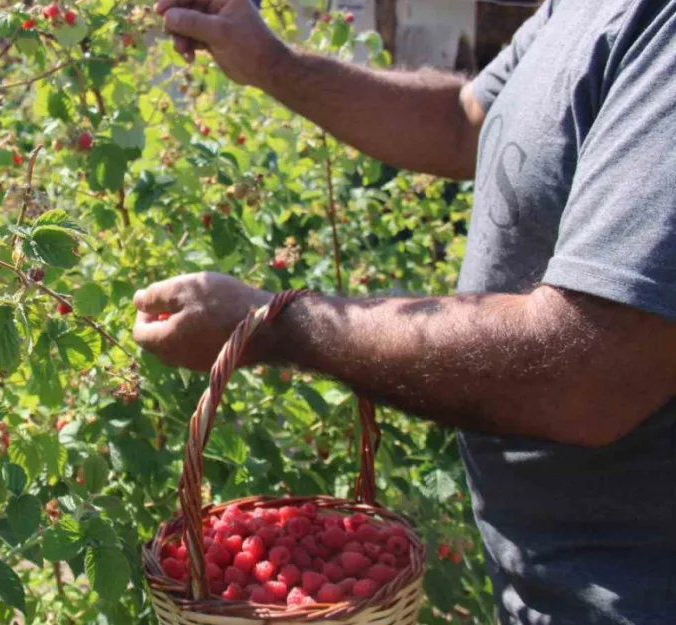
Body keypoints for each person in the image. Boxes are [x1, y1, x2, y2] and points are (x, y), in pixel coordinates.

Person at [133, 1, 676, 623]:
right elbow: (461, 119)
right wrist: (269, 62)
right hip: (550, 582)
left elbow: (589, 371)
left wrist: (274, 324)